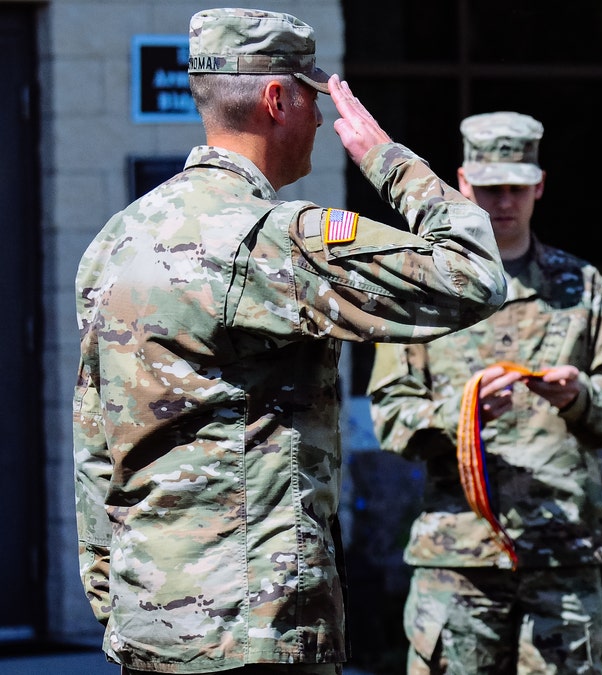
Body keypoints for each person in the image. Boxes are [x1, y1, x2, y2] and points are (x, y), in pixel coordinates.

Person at [73, 8, 507, 674]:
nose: (321, 121)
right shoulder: (276, 240)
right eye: (315, 98)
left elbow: (96, 446)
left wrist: (116, 601)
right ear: (278, 100)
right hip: (256, 632)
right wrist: (388, 161)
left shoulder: (116, 239)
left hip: (151, 628)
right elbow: (474, 272)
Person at [367, 111, 602, 674]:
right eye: (490, 188)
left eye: (516, 188)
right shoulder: (425, 288)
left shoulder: (580, 286)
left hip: (563, 552)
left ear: (539, 186)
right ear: (463, 183)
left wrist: (580, 398)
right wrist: (460, 416)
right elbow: (390, 416)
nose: (502, 203)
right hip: (459, 560)